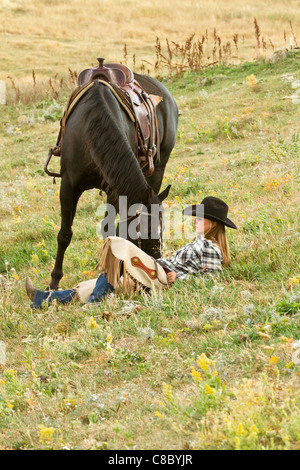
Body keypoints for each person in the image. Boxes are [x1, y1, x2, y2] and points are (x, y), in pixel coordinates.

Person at [25, 196, 237, 308]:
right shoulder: (200, 241)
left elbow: (211, 278)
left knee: (120, 246)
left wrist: (179, 277)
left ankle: (94, 306)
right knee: (92, 286)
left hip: (162, 277)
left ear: (214, 224)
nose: (196, 220)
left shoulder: (211, 248)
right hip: (158, 272)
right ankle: (43, 299)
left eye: (201, 217)